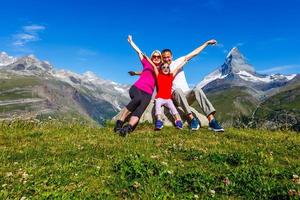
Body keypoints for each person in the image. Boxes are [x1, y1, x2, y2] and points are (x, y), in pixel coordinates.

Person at [161, 40, 224, 132]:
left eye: (168, 57)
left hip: (186, 96)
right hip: (174, 98)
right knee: (178, 90)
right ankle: (192, 120)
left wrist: (206, 43)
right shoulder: (161, 69)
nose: (167, 59)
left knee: (197, 89)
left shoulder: (178, 62)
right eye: (164, 58)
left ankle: (212, 120)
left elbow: (194, 53)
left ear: (172, 56)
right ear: (162, 58)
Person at [114, 35, 162, 136]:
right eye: (154, 56)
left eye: (158, 57)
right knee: (137, 99)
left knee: (140, 109)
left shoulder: (161, 69)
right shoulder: (146, 63)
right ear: (151, 57)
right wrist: (131, 42)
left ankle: (128, 128)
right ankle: (119, 122)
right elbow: (139, 51)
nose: (156, 58)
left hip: (148, 93)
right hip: (137, 88)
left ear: (161, 59)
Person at [145, 57, 187, 130]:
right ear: (161, 69)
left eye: (167, 67)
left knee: (173, 109)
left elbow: (177, 68)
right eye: (163, 67)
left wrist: (184, 62)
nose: (166, 69)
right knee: (157, 106)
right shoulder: (158, 76)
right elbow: (154, 66)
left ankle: (178, 121)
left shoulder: (170, 76)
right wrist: (147, 58)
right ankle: (159, 121)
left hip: (168, 99)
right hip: (159, 98)